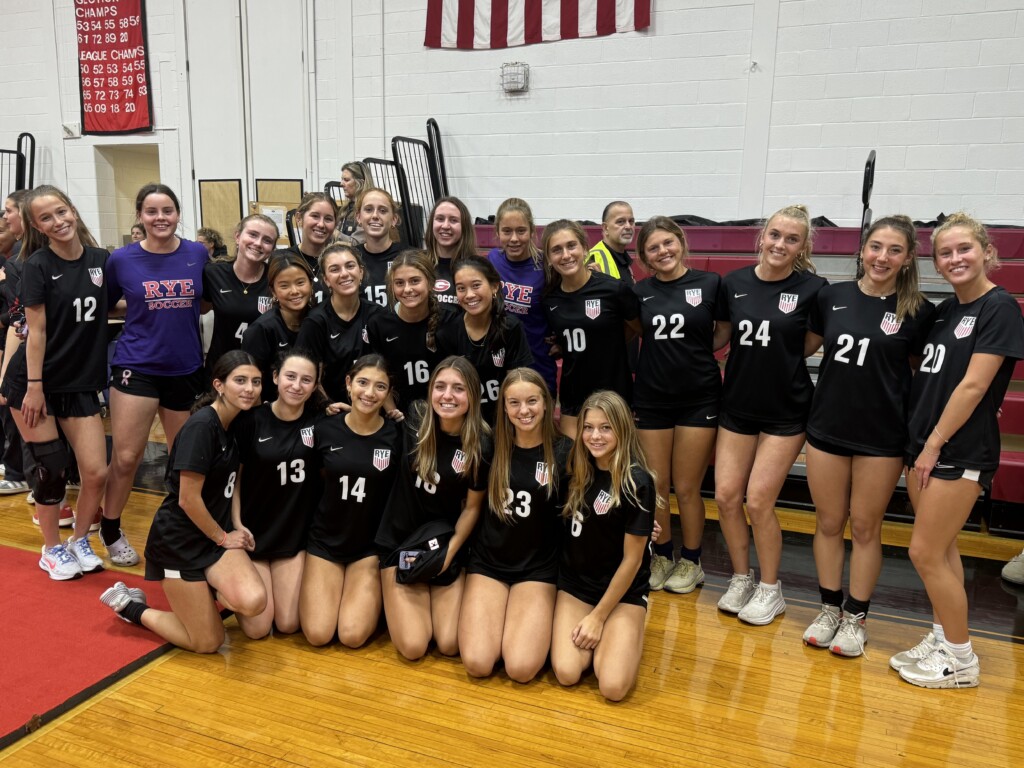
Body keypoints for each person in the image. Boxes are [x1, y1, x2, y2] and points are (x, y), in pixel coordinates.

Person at [890, 213, 1024, 689]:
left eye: (964, 249)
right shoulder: (945, 312)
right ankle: (944, 637)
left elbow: (973, 387)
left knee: (924, 552)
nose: (955, 259)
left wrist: (932, 445)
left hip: (955, 449)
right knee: (942, 553)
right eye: (945, 253)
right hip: (924, 445)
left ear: (987, 251)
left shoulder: (1000, 307)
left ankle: (961, 660)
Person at [801, 216, 933, 657]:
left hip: (882, 436)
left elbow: (922, 374)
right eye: (876, 246)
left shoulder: (917, 311)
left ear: (908, 258)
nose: (882, 257)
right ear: (862, 250)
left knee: (864, 527)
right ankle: (828, 609)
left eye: (894, 250)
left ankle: (855, 618)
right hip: (827, 430)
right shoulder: (831, 296)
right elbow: (802, 346)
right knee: (827, 522)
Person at [99, 351, 268, 652]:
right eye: (240, 381)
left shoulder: (240, 421)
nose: (249, 389)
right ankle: (130, 607)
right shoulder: (202, 427)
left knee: (254, 604)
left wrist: (238, 525)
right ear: (219, 384)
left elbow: (234, 481)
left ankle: (204, 590)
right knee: (207, 642)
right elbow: (189, 501)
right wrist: (224, 537)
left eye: (256, 382)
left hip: (213, 534)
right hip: (179, 543)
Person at [713, 204, 827, 625]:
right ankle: (742, 577)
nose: (781, 244)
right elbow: (722, 336)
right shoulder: (735, 283)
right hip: (737, 405)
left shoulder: (814, 288)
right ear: (762, 237)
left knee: (759, 500)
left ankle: (770, 588)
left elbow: (809, 345)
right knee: (725, 496)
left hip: (786, 410)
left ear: (802, 247)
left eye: (791, 239)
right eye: (775, 235)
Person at [0, 185, 108, 579]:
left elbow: (111, 305)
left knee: (96, 471)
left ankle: (80, 540)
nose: (58, 221)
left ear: (73, 212)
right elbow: (37, 331)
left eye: (62, 212)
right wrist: (33, 386)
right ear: (36, 226)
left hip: (79, 383)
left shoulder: (100, 260)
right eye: (47, 218)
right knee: (51, 469)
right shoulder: (37, 265)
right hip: (36, 384)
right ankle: (51, 549)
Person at [103, 184, 209, 567]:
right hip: (138, 366)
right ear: (140, 216)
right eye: (152, 211)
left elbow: (208, 298)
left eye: (167, 210)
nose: (160, 218)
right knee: (128, 456)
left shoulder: (197, 253)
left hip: (186, 369)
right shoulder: (122, 260)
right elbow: (108, 304)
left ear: (178, 214)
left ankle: (182, 528)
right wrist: (137, 310)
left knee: (184, 461)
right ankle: (110, 529)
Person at [375, 356, 491, 660]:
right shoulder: (416, 418)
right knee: (414, 647)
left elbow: (472, 508)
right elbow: (371, 416)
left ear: (473, 396)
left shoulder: (481, 444)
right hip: (400, 542)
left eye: (458, 388)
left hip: (443, 545)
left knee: (451, 643)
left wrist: (448, 554)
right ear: (430, 391)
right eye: (440, 387)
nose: (447, 396)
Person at [459, 367, 570, 681]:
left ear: (546, 403)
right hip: (489, 564)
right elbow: (468, 504)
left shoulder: (565, 453)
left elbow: (586, 508)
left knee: (521, 668)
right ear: (504, 407)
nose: (524, 411)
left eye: (532, 401)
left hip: (538, 569)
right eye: (515, 403)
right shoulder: (490, 447)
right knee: (478, 663)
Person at [632, 217, 723, 594]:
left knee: (687, 487)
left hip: (698, 397)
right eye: (653, 248)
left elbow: (721, 332)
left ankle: (692, 561)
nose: (663, 252)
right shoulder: (639, 292)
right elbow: (639, 333)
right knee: (656, 483)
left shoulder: (710, 283)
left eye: (668, 243)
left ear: (681, 242)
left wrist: (694, 355)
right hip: (652, 397)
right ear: (644, 257)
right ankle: (662, 554)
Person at [550, 390, 655, 702]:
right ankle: (610, 632)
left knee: (612, 687)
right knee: (568, 673)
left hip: (623, 591)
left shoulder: (638, 481)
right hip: (576, 585)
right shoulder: (575, 468)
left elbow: (633, 561)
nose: (595, 436)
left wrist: (598, 617)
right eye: (588, 427)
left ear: (622, 429)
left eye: (605, 427)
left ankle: (630, 626)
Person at [300, 354, 401, 648]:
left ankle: (373, 604)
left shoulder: (396, 435)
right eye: (363, 383)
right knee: (318, 634)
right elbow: (314, 482)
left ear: (388, 393)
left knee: (352, 636)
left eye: (380, 387)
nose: (369, 393)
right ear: (348, 384)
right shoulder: (325, 428)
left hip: (368, 548)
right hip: (325, 542)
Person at [232, 349, 324, 639]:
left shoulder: (321, 424)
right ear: (275, 377)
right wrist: (236, 524)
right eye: (291, 377)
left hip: (292, 538)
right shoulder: (250, 421)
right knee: (258, 629)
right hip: (253, 535)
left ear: (315, 385)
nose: (297, 385)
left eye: (306, 380)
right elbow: (234, 480)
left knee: (288, 624)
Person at [542, 219, 640, 438]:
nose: (566, 255)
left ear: (585, 248)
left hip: (614, 394)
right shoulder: (549, 299)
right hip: (573, 397)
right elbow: (561, 337)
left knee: (612, 467)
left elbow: (637, 328)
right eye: (556, 250)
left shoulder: (613, 289)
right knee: (574, 467)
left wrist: (608, 342)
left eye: (571, 246)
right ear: (548, 258)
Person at [436, 256, 533, 423]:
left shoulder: (511, 328)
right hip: (463, 421)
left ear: (494, 286)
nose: (469, 295)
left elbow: (517, 384)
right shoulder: (447, 332)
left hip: (502, 420)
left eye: (476, 285)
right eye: (461, 288)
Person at [365, 250, 455, 411]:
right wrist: (394, 415)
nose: (407, 289)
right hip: (398, 415)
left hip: (444, 412)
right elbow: (377, 377)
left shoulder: (450, 320)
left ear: (430, 282)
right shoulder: (378, 324)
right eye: (399, 283)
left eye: (415, 281)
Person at [487, 198, 557, 395]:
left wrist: (561, 338)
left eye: (521, 230)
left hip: (538, 359)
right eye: (507, 231)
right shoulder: (493, 260)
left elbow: (568, 300)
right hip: (501, 359)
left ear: (532, 231)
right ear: (498, 232)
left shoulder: (546, 264)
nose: (514, 238)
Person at [295, 244, 381, 404]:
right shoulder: (316, 322)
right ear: (326, 280)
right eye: (335, 269)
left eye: (350, 266)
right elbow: (307, 377)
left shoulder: (378, 315)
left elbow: (387, 370)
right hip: (331, 412)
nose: (344, 274)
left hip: (373, 407)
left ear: (360, 272)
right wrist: (329, 405)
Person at [201, 214, 278, 382]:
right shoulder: (214, 273)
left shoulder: (276, 279)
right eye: (252, 234)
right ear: (237, 236)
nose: (258, 243)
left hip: (260, 374)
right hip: (221, 371)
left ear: (272, 248)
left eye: (267, 240)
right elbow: (201, 308)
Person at [241, 253, 314, 393]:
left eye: (300, 283)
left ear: (310, 284)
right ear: (273, 291)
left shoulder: (318, 320)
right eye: (284, 286)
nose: (294, 291)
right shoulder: (261, 330)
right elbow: (250, 383)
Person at [0, 191, 32, 497]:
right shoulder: (15, 261)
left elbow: (14, 321)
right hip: (20, 350)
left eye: (9, 211)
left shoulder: (24, 260)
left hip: (40, 355)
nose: (5, 218)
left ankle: (24, 474)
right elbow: (15, 320)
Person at [275, 192, 338, 306]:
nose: (321, 224)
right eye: (315, 216)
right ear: (299, 218)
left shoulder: (338, 262)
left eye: (328, 219)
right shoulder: (281, 259)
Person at [424, 196, 477, 306]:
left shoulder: (477, 268)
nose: (445, 226)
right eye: (440, 219)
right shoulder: (418, 264)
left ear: (464, 227)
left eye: (453, 220)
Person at [355, 188, 404, 308]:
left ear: (394, 219)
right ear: (359, 217)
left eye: (383, 211)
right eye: (368, 209)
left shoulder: (408, 257)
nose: (375, 215)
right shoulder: (351, 258)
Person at [587, 201, 636, 286]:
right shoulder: (594, 258)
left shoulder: (623, 258)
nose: (628, 226)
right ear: (605, 228)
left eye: (631, 221)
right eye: (620, 221)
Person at [337, 161, 373, 239]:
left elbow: (356, 243)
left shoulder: (368, 209)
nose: (341, 184)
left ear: (360, 183)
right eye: (342, 179)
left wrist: (333, 232)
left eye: (346, 180)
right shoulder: (347, 208)